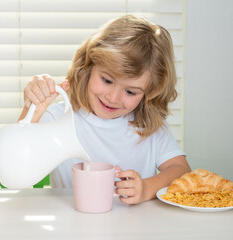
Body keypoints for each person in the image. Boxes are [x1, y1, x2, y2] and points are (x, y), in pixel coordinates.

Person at [18, 15, 191, 205]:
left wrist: (146, 188)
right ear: (88, 66)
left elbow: (181, 170)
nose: (113, 98)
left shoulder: (148, 126)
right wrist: (31, 110)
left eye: (131, 91)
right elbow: (15, 165)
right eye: (107, 80)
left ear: (150, 93)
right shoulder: (57, 118)